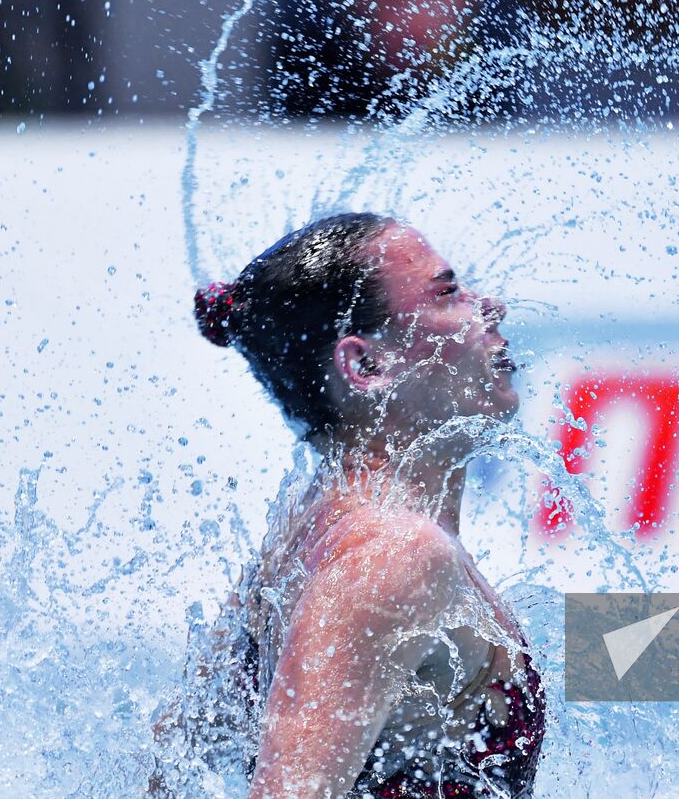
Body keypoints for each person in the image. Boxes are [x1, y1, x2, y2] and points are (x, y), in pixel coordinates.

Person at [150, 212, 543, 799]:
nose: (492, 307)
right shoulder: (397, 556)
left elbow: (169, 764)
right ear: (366, 366)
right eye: (449, 292)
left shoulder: (309, 533)